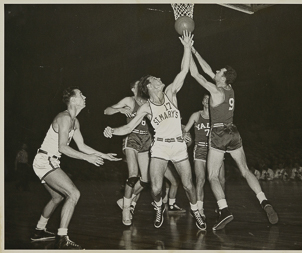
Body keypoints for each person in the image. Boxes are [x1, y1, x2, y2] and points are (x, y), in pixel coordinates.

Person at [104, 31, 206, 230]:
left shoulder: (170, 93)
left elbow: (184, 71)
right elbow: (129, 127)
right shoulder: (146, 107)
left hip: (177, 145)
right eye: (155, 79)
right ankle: (158, 206)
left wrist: (186, 47)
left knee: (188, 185)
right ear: (149, 86)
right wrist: (112, 130)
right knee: (156, 187)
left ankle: (196, 212)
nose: (160, 78)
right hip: (159, 148)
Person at [190, 46, 278, 231]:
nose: (215, 70)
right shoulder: (229, 87)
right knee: (245, 170)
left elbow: (195, 73)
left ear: (222, 77)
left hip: (219, 134)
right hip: (234, 132)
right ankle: (264, 201)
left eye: (219, 70)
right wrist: (195, 50)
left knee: (212, 175)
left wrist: (185, 50)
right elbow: (207, 70)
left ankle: (224, 210)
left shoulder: (216, 91)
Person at [32, 87, 121, 249]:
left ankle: (39, 230)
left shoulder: (75, 121)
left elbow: (82, 146)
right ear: (73, 100)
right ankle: (62, 238)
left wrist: (103, 155)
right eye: (81, 95)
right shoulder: (64, 118)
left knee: (58, 197)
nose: (85, 96)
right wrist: (88, 159)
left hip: (49, 161)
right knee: (74, 194)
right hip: (45, 160)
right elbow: (63, 148)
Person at [104, 80, 152, 226]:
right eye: (138, 84)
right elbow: (107, 110)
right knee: (133, 175)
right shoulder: (129, 100)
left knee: (145, 180)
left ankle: (126, 200)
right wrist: (119, 109)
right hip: (131, 138)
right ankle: (126, 210)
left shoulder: (149, 101)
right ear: (133, 89)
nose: (142, 86)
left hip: (146, 140)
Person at [183, 94, 225, 220]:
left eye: (209, 99)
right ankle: (199, 209)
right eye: (205, 99)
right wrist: (185, 134)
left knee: (221, 179)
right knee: (200, 179)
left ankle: (222, 207)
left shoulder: (216, 116)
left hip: (215, 148)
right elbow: (186, 130)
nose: (207, 101)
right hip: (200, 148)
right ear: (202, 101)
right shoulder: (197, 115)